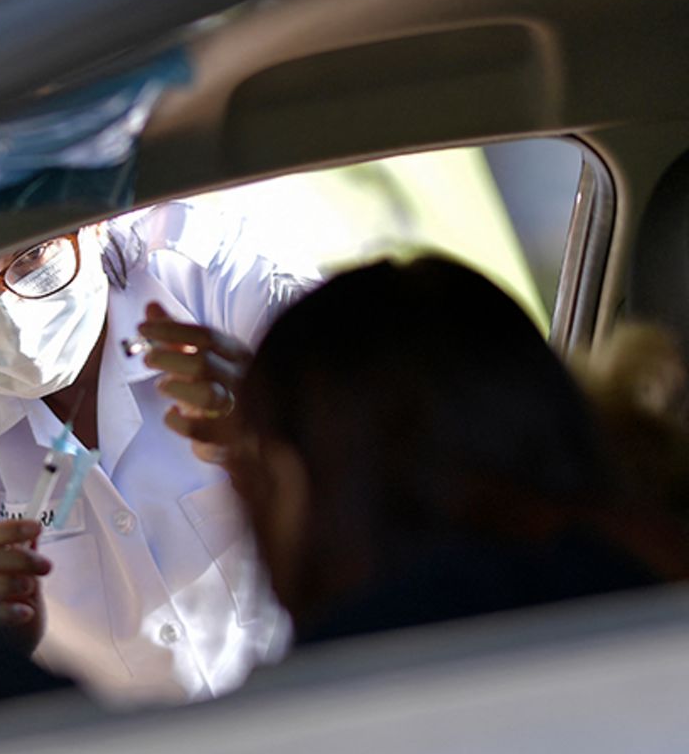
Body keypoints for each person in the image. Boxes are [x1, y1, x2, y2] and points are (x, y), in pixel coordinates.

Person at [0, 201, 310, 704]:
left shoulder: (208, 275)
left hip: (309, 697)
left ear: (93, 222)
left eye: (34, 255)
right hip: (94, 749)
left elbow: (377, 456)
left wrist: (272, 427)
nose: (12, 314)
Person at [219, 257, 689, 644]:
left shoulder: (359, 668)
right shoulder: (638, 576)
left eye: (256, 476)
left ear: (301, 479)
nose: (241, 504)